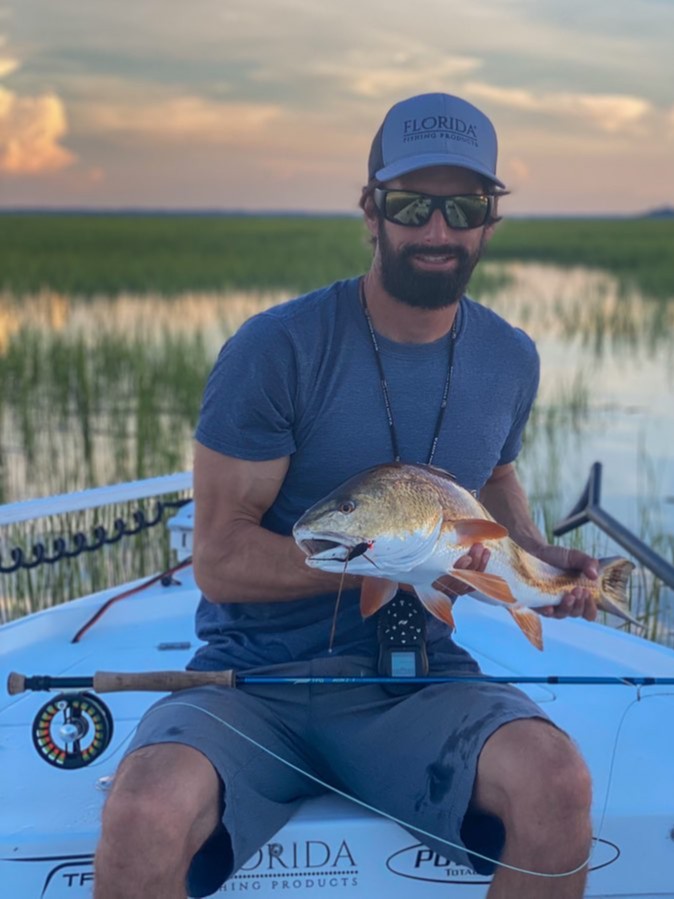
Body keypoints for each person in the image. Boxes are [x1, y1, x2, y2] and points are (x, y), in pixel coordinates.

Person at [95, 92, 598, 899]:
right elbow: (220, 558)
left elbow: (494, 477)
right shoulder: (278, 348)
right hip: (255, 682)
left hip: (419, 679)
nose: (437, 230)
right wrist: (387, 556)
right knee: (146, 807)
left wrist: (537, 562)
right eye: (411, 205)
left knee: (558, 782)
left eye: (463, 206)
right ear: (371, 210)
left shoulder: (510, 358)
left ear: (489, 222)